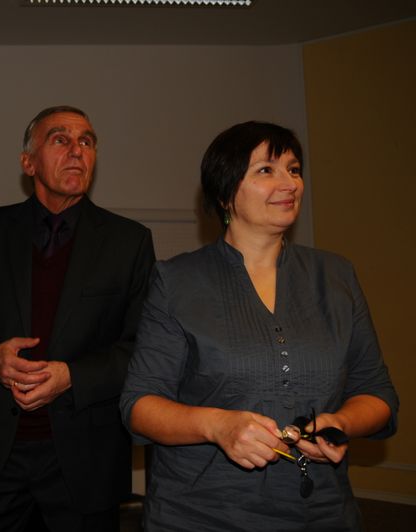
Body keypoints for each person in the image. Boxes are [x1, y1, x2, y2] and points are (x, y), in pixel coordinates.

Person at [120, 121, 398, 531]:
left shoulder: (336, 276)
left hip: (323, 513)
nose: (289, 183)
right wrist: (218, 426)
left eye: (294, 169)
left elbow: (377, 392)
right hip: (201, 515)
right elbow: (139, 405)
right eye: (266, 170)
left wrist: (341, 423)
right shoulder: (176, 281)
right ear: (225, 192)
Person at [0, 105, 156, 531]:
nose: (77, 150)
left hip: (84, 455)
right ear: (28, 162)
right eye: (60, 139)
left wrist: (72, 376)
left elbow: (141, 347)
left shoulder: (129, 242)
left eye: (86, 141)